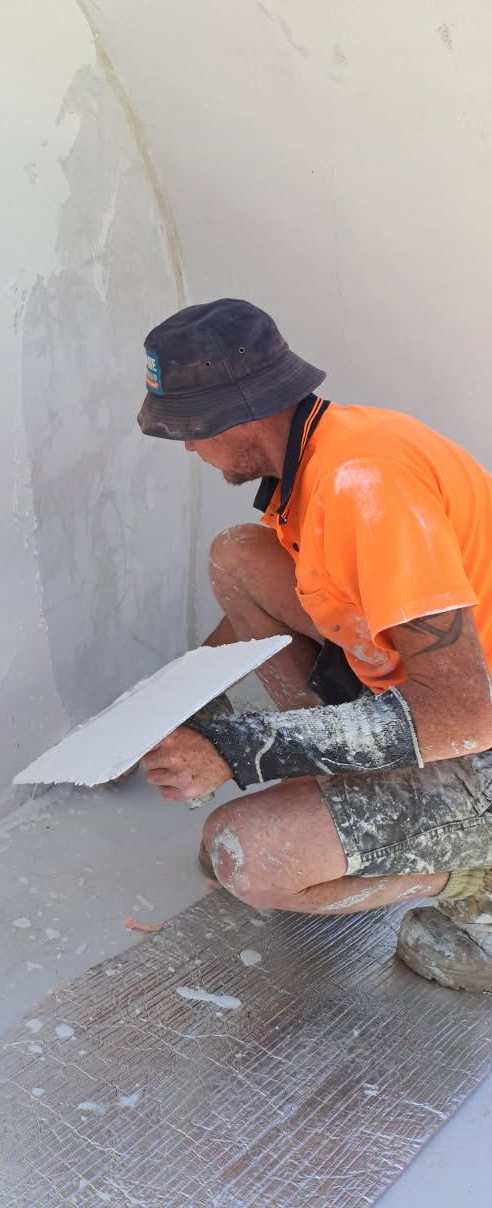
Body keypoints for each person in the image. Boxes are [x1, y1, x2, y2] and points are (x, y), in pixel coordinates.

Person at [135, 298, 492, 990]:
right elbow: (270, 607)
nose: (186, 449)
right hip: (443, 704)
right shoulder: (323, 464)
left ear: (234, 418)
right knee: (240, 556)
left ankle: (479, 875)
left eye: (185, 430)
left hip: (475, 723)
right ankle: (353, 799)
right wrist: (163, 706)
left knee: (246, 854)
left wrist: (237, 751)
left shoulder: (366, 486)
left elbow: (464, 712)